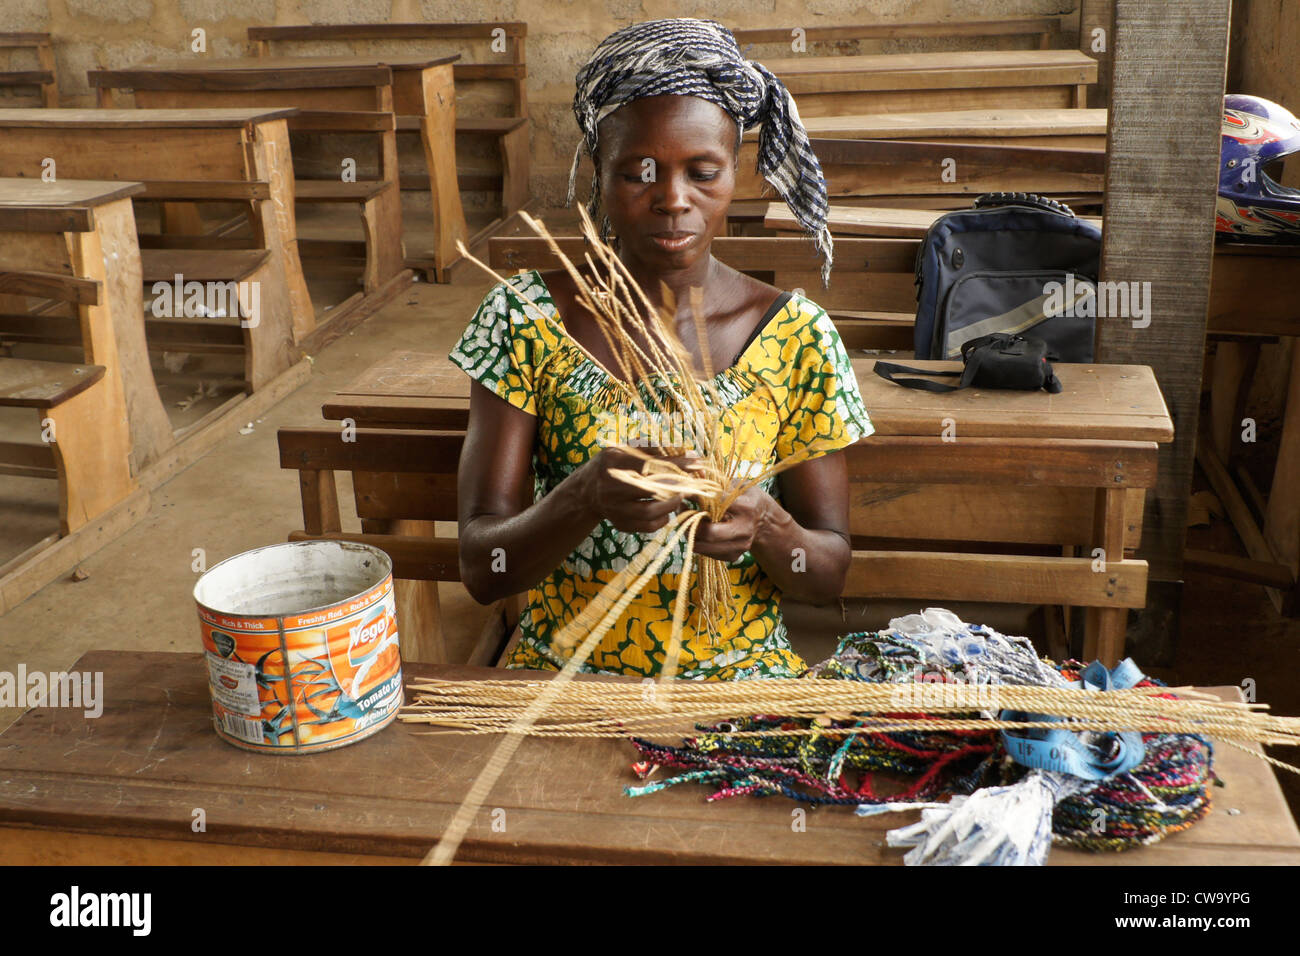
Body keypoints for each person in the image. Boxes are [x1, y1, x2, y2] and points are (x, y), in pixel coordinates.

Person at [448, 18, 874, 679]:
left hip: (738, 685)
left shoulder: (798, 337)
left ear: (736, 174)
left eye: (704, 172)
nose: (674, 200)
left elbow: (826, 577)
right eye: (638, 172)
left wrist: (767, 526)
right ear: (600, 171)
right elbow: (483, 568)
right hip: (566, 679)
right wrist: (585, 494)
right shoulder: (527, 318)